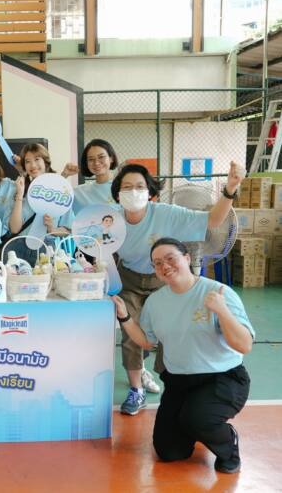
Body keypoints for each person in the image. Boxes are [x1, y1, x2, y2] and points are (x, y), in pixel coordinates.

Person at [112, 162, 244, 415]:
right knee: (131, 333)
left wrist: (230, 189)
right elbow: (92, 241)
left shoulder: (167, 214)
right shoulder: (111, 219)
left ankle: (174, 385)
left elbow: (213, 220)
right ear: (118, 194)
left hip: (165, 279)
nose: (133, 192)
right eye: (126, 187)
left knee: (171, 333)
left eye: (139, 186)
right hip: (128, 280)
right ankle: (136, 389)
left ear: (150, 191)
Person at [112, 238, 252, 474]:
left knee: (197, 419)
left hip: (222, 378)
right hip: (179, 381)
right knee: (169, 451)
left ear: (187, 258)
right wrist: (124, 316)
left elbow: (244, 345)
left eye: (170, 258)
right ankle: (198, 426)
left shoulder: (218, 293)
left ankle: (228, 446)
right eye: (157, 263)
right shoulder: (155, 302)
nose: (164, 266)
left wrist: (222, 311)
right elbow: (147, 341)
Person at [6, 143, 72, 263]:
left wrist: (52, 229)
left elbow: (67, 230)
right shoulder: (20, 188)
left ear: (45, 162)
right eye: (27, 161)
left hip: (46, 248)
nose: (33, 165)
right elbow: (15, 229)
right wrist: (19, 195)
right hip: (16, 249)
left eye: (37, 159)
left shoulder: (61, 193)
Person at [65, 139, 119, 214]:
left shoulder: (123, 188)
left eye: (101, 157)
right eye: (91, 159)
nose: (96, 163)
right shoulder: (79, 193)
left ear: (111, 158)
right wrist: (64, 175)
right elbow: (55, 200)